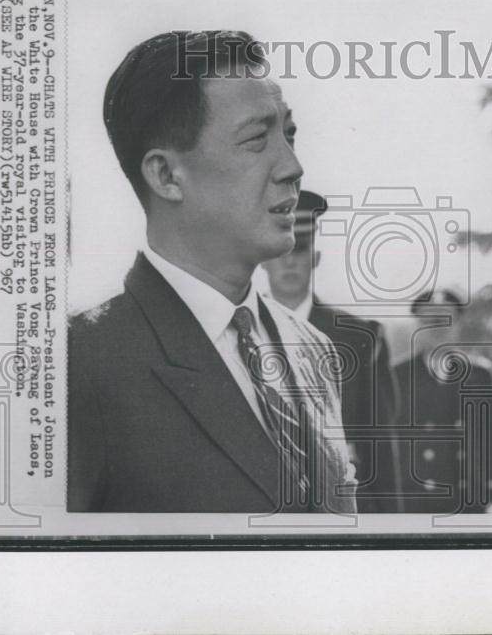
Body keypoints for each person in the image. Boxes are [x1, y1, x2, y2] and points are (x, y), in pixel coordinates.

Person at [67, 31, 357, 514]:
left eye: (289, 135)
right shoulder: (75, 365)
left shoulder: (315, 351)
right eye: (255, 141)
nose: (293, 166)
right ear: (165, 176)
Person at [262, 190, 403, 512]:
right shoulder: (240, 328)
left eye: (300, 249)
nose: (290, 261)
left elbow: (380, 446)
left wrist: (391, 533)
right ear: (263, 261)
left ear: (316, 258)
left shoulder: (359, 337)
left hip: (344, 504)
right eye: (280, 250)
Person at [392, 290, 492, 513]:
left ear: (459, 323)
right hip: (414, 500)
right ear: (418, 325)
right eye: (429, 318)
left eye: (446, 317)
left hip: (469, 498)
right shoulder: (396, 377)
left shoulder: (479, 375)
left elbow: (490, 440)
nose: (438, 325)